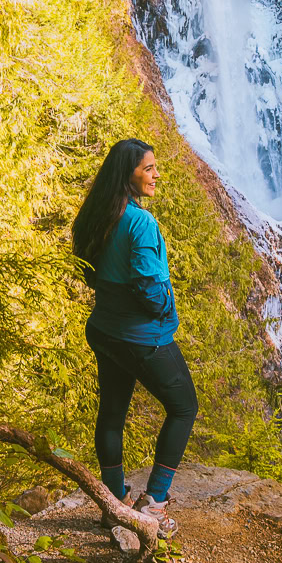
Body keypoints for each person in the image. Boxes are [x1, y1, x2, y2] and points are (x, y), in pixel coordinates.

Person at [72, 138, 198, 537]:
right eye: (149, 168)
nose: (156, 174)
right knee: (184, 407)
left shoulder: (98, 214)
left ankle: (114, 504)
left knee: (112, 413)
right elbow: (148, 285)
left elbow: (89, 270)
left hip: (105, 330)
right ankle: (154, 505)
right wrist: (165, 309)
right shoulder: (140, 223)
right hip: (144, 337)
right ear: (128, 174)